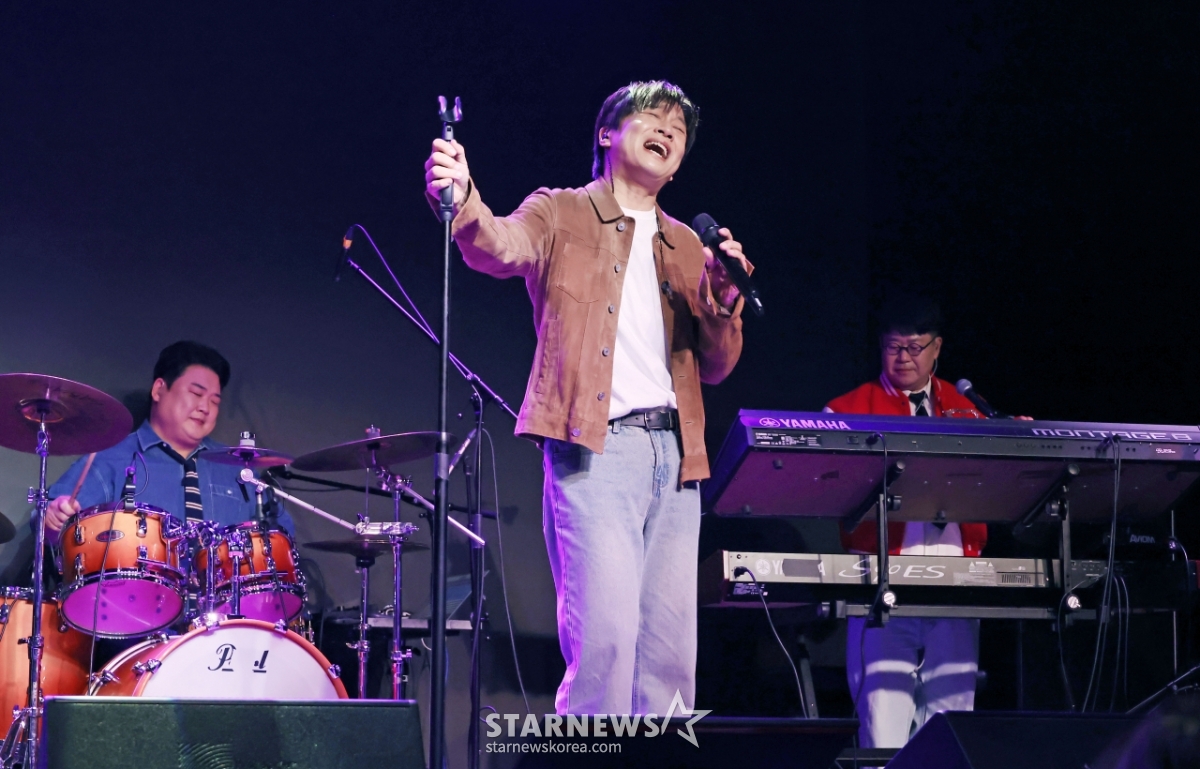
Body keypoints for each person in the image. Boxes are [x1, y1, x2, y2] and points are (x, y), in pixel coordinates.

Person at [424, 81, 749, 715]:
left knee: (671, 661)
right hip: (597, 449)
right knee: (606, 645)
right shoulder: (562, 211)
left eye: (679, 130)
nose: (668, 131)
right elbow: (498, 245)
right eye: (652, 118)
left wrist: (725, 300)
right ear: (607, 133)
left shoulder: (689, 245)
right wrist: (463, 199)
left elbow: (715, 367)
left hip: (678, 460)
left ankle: (663, 762)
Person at [824, 297, 984, 748]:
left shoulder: (968, 409)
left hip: (956, 583)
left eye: (915, 348)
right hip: (883, 583)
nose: (904, 358)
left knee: (953, 726)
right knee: (883, 728)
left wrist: (1017, 434)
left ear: (937, 348)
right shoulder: (846, 411)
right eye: (894, 347)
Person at [43, 340, 292, 541]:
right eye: (196, 393)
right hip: (135, 589)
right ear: (159, 389)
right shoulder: (111, 458)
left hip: (226, 591)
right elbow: (52, 527)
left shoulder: (236, 466)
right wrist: (53, 519)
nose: (205, 407)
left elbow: (282, 537)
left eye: (214, 401)